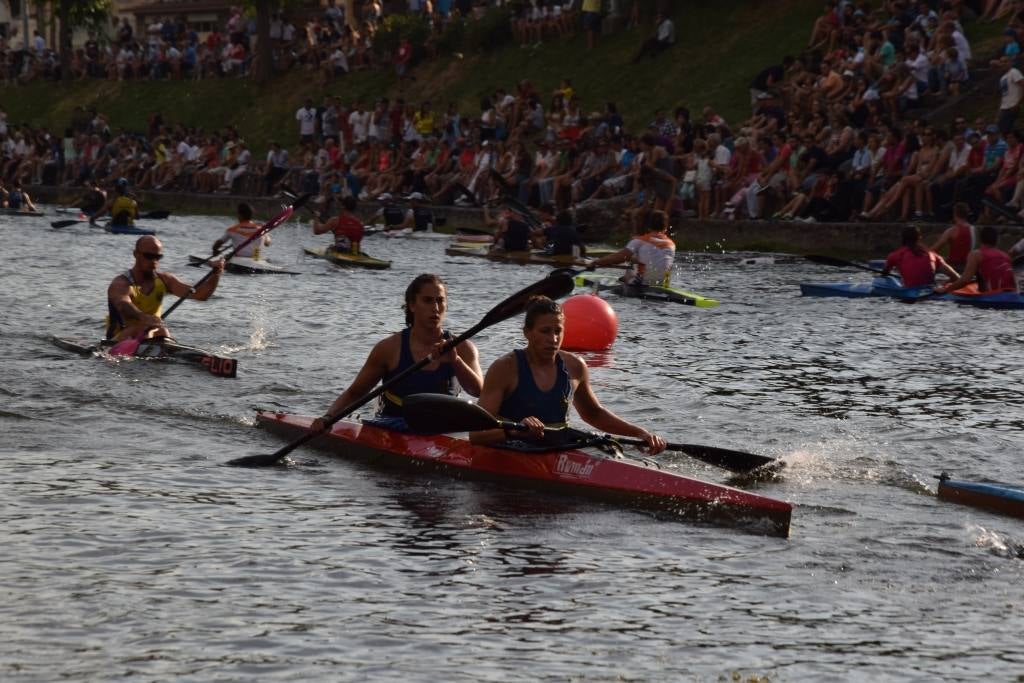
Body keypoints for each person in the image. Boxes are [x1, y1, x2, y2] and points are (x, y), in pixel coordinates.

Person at [469, 296, 665, 453]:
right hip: (513, 448)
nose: (553, 339)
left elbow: (594, 414)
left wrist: (639, 433)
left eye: (558, 331)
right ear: (527, 333)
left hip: (558, 444)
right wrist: (514, 430)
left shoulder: (575, 366)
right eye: (545, 331)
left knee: (609, 448)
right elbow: (477, 435)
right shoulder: (505, 368)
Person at [311, 274, 483, 432]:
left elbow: (478, 391)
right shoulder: (388, 348)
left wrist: (456, 361)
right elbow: (355, 393)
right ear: (412, 305)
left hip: (442, 427)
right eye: (428, 301)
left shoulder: (464, 348)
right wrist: (328, 417)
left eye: (440, 300)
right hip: (393, 425)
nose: (435, 308)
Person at [106, 236, 224, 342]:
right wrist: (143, 317)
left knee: (162, 331)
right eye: (149, 256)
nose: (154, 261)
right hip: (117, 340)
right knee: (140, 328)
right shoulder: (121, 284)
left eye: (158, 257)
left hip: (150, 335)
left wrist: (216, 274)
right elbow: (123, 304)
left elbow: (202, 295)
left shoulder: (165, 280)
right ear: (136, 254)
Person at [585, 210, 675, 286]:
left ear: (648, 226)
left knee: (630, 269)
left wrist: (596, 262)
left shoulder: (639, 241)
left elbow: (620, 257)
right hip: (663, 283)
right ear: (665, 228)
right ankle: (663, 284)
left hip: (643, 283)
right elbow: (654, 258)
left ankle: (626, 281)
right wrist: (634, 259)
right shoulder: (671, 245)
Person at [936, 225, 1020, 293]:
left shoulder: (976, 254)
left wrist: (945, 290)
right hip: (1012, 294)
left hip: (992, 296)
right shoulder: (1006, 256)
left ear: (981, 240)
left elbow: (965, 280)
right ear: (997, 240)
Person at [881, 225, 959, 288]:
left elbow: (884, 275)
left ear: (903, 239)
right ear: (919, 238)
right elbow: (956, 277)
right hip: (932, 291)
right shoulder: (933, 255)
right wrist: (944, 285)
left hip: (909, 294)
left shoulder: (894, 255)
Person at [929, 202, 976, 273]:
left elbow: (933, 250)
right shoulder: (974, 229)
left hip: (955, 267)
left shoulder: (952, 231)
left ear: (955, 214)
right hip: (969, 266)